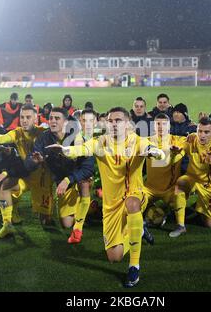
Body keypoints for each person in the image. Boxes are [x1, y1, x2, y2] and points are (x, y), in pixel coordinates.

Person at [46, 107, 165, 288]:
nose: (114, 124)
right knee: (114, 257)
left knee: (132, 203)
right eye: (110, 121)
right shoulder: (100, 142)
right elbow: (82, 149)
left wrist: (156, 152)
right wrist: (65, 150)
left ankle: (134, 266)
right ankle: (139, 231)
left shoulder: (136, 141)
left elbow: (151, 148)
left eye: (118, 121)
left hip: (135, 194)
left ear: (128, 124)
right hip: (110, 205)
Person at [26, 107, 95, 244]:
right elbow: (30, 161)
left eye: (57, 118)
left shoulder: (79, 138)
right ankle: (90, 208)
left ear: (65, 122)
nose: (52, 121)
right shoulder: (44, 138)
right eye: (51, 118)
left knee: (85, 182)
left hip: (77, 178)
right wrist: (34, 161)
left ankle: (83, 210)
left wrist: (69, 179)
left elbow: (88, 168)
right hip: (62, 182)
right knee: (66, 223)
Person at [0, 104, 52, 225]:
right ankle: (6, 221)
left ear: (35, 119)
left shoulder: (43, 133)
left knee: (46, 221)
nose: (24, 120)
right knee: (6, 186)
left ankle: (38, 209)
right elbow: (4, 137)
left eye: (28, 117)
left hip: (42, 179)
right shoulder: (17, 133)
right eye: (22, 117)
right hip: (25, 176)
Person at [175, 117, 211, 231]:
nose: (202, 135)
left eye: (206, 132)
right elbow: (181, 150)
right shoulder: (192, 139)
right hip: (192, 178)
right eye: (200, 131)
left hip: (210, 185)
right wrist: (176, 153)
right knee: (181, 183)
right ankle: (180, 225)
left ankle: (200, 209)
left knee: (209, 224)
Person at [144, 113, 188, 238]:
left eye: (164, 124)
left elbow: (186, 146)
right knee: (134, 198)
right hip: (150, 188)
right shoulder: (146, 141)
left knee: (179, 194)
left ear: (169, 126)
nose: (161, 127)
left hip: (170, 189)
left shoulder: (179, 140)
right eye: (158, 124)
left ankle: (181, 226)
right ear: (154, 126)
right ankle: (145, 218)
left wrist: (175, 153)